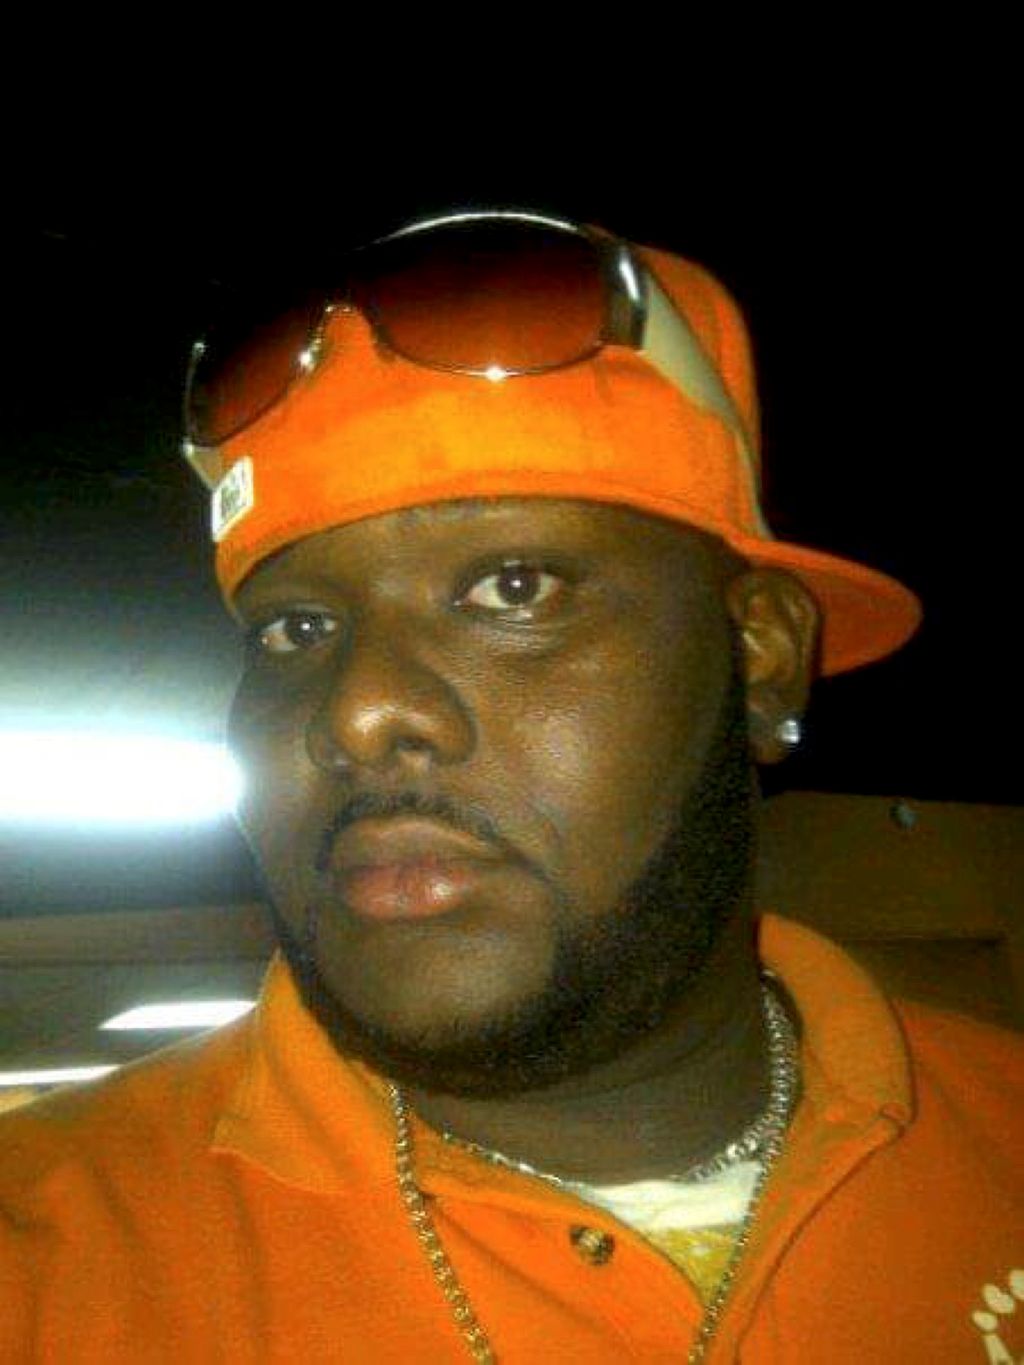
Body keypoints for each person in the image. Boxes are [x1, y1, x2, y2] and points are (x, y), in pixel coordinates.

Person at [1, 210, 1022, 1364]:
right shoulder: (39, 1260)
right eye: (295, 631)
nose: (357, 713)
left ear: (759, 655)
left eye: (514, 589)